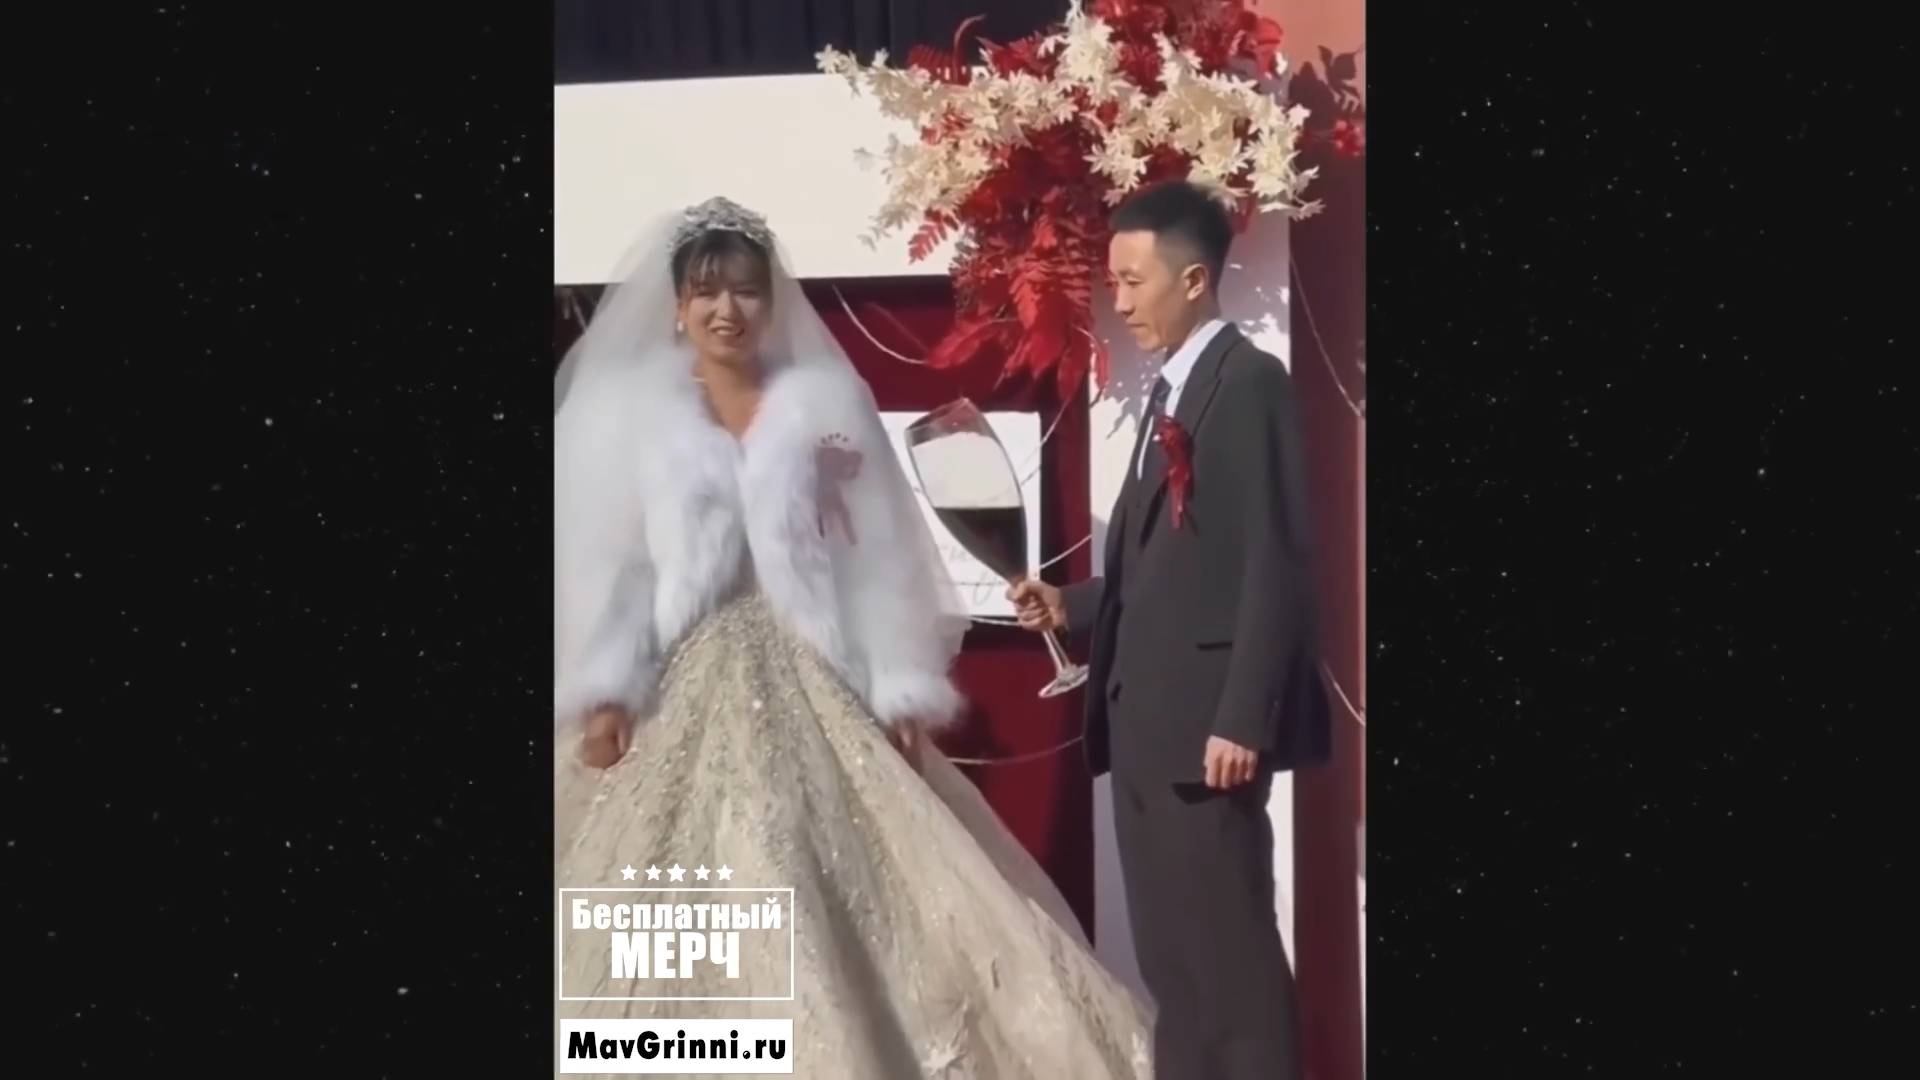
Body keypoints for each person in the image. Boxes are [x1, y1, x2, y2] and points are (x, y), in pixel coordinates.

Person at [553, 196, 1152, 1079]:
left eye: (746, 291)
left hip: (813, 671)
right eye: (707, 292)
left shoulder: (823, 406)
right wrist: (604, 689)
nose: (727, 310)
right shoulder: (631, 414)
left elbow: (875, 559)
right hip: (671, 681)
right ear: (678, 305)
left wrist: (898, 679)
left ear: (772, 301)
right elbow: (605, 563)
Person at [1009, 180, 1330, 1080]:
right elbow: (1165, 571)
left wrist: (1242, 718)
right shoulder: (1171, 392)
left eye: (1132, 281)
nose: (1117, 301)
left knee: (1234, 974)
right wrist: (1070, 605)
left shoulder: (1249, 384)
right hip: (1148, 733)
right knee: (1177, 977)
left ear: (1194, 280)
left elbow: (1276, 561)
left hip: (1206, 739)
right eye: (1112, 281)